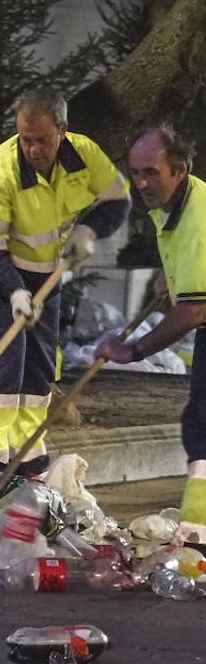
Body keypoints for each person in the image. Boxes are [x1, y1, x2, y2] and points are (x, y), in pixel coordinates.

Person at [0, 88, 130, 476]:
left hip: (46, 271)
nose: (33, 149)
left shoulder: (83, 156)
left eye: (41, 139)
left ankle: (28, 451)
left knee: (39, 363)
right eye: (25, 139)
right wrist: (14, 289)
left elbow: (118, 199)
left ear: (62, 131)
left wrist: (89, 229)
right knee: (4, 360)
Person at [95, 127, 206, 543]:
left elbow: (194, 310)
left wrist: (134, 350)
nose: (141, 182)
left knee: (202, 422)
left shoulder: (196, 217)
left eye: (151, 173)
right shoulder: (178, 202)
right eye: (135, 172)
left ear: (179, 170)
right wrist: (171, 277)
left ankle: (198, 529)